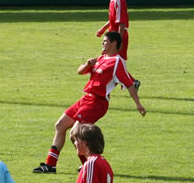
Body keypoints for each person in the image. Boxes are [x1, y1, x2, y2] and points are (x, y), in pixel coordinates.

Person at [33, 31, 146, 174]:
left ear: (114, 43)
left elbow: (129, 84)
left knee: (75, 133)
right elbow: (80, 71)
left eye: (105, 41)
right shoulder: (101, 58)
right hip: (86, 99)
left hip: (97, 103)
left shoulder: (117, 62)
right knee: (60, 125)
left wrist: (138, 103)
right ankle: (50, 165)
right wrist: (87, 64)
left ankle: (90, 166)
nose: (102, 43)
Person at [96, 0, 140, 91]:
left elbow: (121, 23)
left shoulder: (119, 0)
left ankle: (128, 82)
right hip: (113, 35)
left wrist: (118, 41)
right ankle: (130, 82)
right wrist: (102, 29)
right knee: (110, 59)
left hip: (118, 36)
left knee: (114, 61)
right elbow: (113, 19)